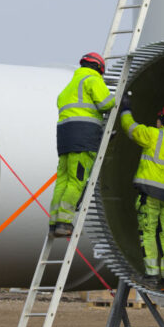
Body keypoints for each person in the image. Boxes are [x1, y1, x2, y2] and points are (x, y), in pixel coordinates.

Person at [119, 94, 164, 289]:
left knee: (148, 231)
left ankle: (151, 275)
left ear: (162, 119)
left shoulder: (153, 134)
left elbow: (130, 127)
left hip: (149, 193)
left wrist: (125, 108)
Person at [50, 51, 115, 237]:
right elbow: (106, 104)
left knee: (62, 180)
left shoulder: (69, 87)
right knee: (77, 181)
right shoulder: (92, 80)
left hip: (64, 140)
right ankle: (64, 222)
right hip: (83, 139)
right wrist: (121, 100)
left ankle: (54, 222)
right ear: (99, 69)